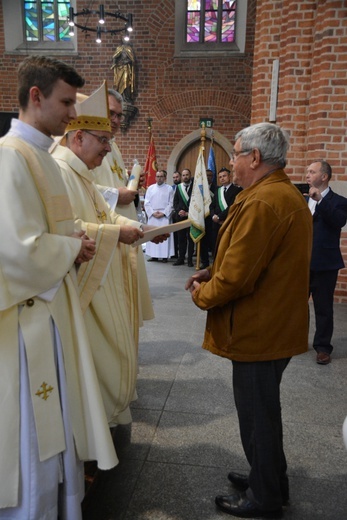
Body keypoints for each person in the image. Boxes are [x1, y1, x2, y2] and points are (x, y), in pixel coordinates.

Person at [0, 56, 118, 519]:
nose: (74, 114)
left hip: (48, 311)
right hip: (26, 323)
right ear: (36, 96)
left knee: (52, 428)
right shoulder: (11, 157)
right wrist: (70, 248)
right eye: (67, 101)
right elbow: (16, 249)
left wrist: (74, 243)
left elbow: (49, 232)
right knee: (33, 433)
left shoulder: (40, 156)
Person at [186, 122, 312, 519]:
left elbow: (239, 276)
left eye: (236, 154)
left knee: (257, 417)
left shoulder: (263, 201)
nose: (232, 163)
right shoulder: (273, 193)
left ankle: (265, 497)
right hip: (271, 324)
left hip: (260, 329)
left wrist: (202, 294)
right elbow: (252, 258)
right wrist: (211, 270)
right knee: (264, 413)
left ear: (254, 158)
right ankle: (270, 477)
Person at [51, 83, 148, 426]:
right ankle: (89, 431)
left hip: (101, 275)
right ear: (77, 138)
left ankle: (102, 422)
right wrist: (115, 233)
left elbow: (101, 215)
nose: (110, 148)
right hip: (80, 286)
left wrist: (127, 227)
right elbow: (63, 229)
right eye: (103, 140)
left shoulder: (81, 172)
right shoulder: (59, 171)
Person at [94, 88, 154, 326]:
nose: (117, 120)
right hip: (106, 228)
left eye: (119, 115)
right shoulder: (83, 144)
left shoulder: (112, 145)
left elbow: (112, 179)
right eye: (112, 114)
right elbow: (78, 187)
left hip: (125, 221)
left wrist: (129, 181)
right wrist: (115, 193)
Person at [306, 160, 347, 365]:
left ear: (324, 176)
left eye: (312, 172)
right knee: (296, 305)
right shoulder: (303, 200)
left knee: (323, 308)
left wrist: (321, 200)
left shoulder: (339, 200)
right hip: (302, 263)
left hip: (325, 263)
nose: (307, 175)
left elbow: (339, 221)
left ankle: (322, 347)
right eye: (307, 172)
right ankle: (295, 340)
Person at [144, 170, 175, 262]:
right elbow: (146, 203)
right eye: (157, 176)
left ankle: (164, 256)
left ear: (164, 178)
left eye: (161, 176)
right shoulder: (150, 188)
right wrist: (152, 213)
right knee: (153, 235)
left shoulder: (169, 188)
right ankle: (154, 255)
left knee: (163, 235)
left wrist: (164, 213)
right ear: (155, 178)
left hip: (164, 216)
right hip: (153, 215)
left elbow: (171, 203)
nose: (159, 178)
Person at [211, 167, 242, 252]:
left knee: (227, 247)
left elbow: (232, 206)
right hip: (216, 224)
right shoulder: (217, 190)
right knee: (217, 248)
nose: (222, 178)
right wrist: (213, 216)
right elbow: (212, 205)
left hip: (229, 222)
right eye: (220, 177)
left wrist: (220, 217)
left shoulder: (237, 190)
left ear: (230, 176)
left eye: (224, 176)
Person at [173, 168, 194, 267]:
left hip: (190, 217)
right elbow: (175, 202)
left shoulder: (195, 187)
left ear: (190, 175)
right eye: (184, 175)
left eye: (187, 175)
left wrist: (188, 213)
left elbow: (196, 203)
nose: (185, 177)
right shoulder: (179, 187)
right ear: (182, 177)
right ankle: (181, 258)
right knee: (181, 239)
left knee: (191, 239)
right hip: (180, 217)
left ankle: (190, 260)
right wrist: (178, 211)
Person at [171, 170, 182, 258]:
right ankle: (174, 253)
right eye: (174, 177)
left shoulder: (182, 187)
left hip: (181, 214)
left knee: (180, 236)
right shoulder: (170, 188)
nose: (175, 179)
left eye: (177, 177)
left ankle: (181, 254)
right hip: (172, 214)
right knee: (174, 235)